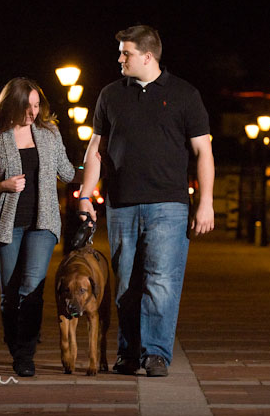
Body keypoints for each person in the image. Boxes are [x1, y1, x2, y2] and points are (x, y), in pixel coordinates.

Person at [78, 25, 215, 377]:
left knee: (161, 281)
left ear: (148, 56)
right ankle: (128, 352)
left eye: (126, 53)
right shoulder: (110, 95)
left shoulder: (185, 94)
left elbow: (203, 151)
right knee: (126, 282)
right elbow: (96, 149)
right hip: (121, 203)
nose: (120, 59)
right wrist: (85, 197)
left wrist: (206, 202)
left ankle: (155, 354)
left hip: (169, 204)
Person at [0, 77, 81, 377]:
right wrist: (3, 185)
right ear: (12, 105)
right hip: (7, 225)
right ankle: (15, 341)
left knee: (32, 290)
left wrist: (93, 166)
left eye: (37, 105)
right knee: (9, 295)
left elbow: (67, 171)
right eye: (27, 106)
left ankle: (25, 354)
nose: (33, 112)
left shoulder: (48, 133)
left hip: (43, 224)